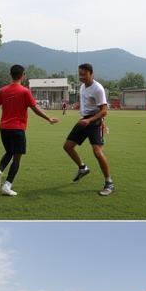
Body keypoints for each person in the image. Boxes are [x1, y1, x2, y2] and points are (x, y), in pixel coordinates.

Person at [0, 64, 57, 197]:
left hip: (3, 128)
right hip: (18, 129)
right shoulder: (25, 91)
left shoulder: (2, 90)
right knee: (17, 158)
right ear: (23, 75)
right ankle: (7, 185)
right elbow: (35, 109)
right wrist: (48, 118)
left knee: (8, 152)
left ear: (11, 75)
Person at [63, 63, 114, 196]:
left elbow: (104, 111)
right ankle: (82, 167)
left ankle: (109, 183)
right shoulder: (82, 86)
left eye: (84, 74)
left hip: (94, 122)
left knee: (97, 152)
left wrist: (90, 120)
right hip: (84, 120)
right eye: (80, 74)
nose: (81, 77)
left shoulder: (98, 89)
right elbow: (86, 102)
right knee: (68, 146)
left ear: (92, 74)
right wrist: (77, 106)